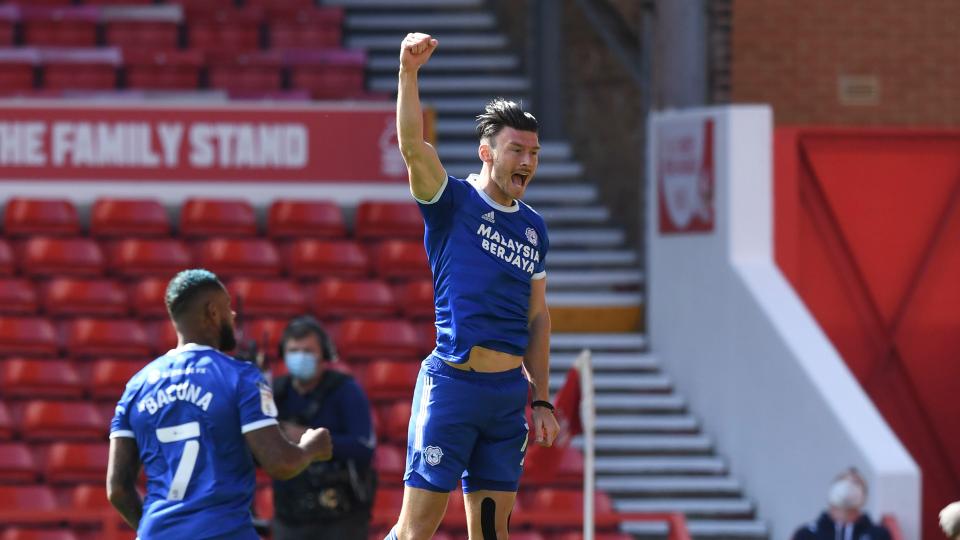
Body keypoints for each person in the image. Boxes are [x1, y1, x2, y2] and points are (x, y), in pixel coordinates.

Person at [385, 32, 560, 540]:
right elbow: (412, 148)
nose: (526, 161)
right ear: (486, 151)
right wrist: (408, 74)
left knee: (492, 533)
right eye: (515, 150)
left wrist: (542, 398)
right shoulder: (452, 203)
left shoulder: (534, 228)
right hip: (453, 388)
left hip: (507, 397)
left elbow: (538, 316)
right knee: (416, 531)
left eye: (534, 152)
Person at [106, 269, 333, 539]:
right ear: (212, 312)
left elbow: (117, 489)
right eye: (228, 308)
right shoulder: (240, 377)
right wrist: (311, 448)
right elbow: (280, 463)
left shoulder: (136, 387)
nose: (233, 316)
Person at [270, 315, 377, 540]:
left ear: (324, 354)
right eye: (294, 350)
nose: (301, 356)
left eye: (308, 351)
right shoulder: (276, 392)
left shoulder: (345, 390)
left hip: (341, 517)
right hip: (289, 515)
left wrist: (308, 438)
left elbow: (364, 447)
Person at [792, 468, 892, 540]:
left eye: (856, 483)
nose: (848, 486)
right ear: (831, 491)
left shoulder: (878, 535)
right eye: (843, 481)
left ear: (864, 497)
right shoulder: (807, 534)